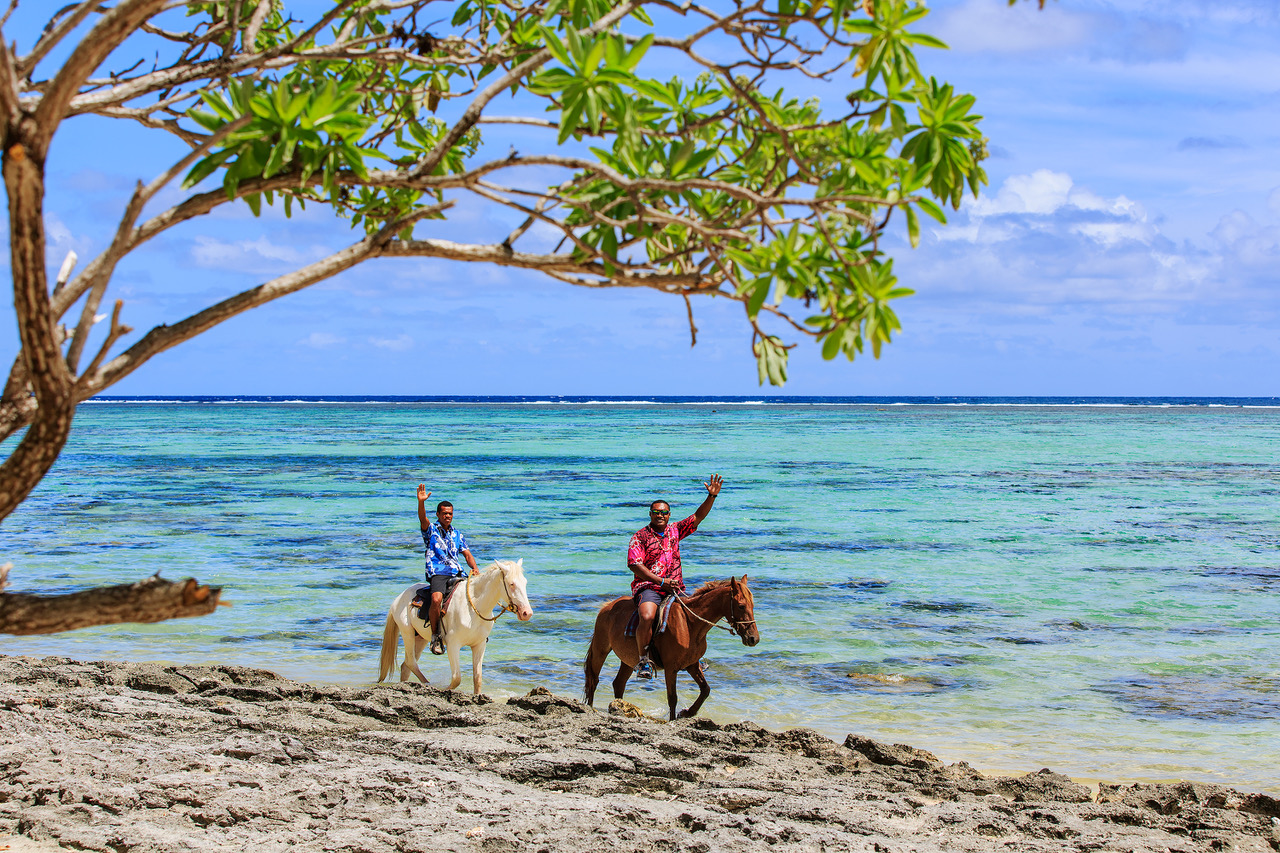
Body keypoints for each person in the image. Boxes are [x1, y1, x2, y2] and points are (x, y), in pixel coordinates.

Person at [626, 474, 723, 680]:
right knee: (647, 616)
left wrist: (711, 497)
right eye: (656, 512)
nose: (659, 515)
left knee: (695, 616)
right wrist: (660, 581)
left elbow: (698, 517)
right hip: (649, 587)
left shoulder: (675, 531)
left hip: (676, 588)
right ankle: (644, 661)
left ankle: (693, 656)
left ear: (669, 515)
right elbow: (634, 565)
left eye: (664, 512)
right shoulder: (640, 536)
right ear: (650, 514)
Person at [415, 484, 478, 655]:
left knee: (478, 596)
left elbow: (467, 554)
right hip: (438, 572)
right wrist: (421, 503)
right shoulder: (431, 531)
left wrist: (475, 568)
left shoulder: (457, 534)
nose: (447, 516)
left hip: (457, 572)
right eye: (444, 513)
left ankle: (477, 632)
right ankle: (436, 636)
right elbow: (423, 520)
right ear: (438, 514)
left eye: (450, 513)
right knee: (436, 599)